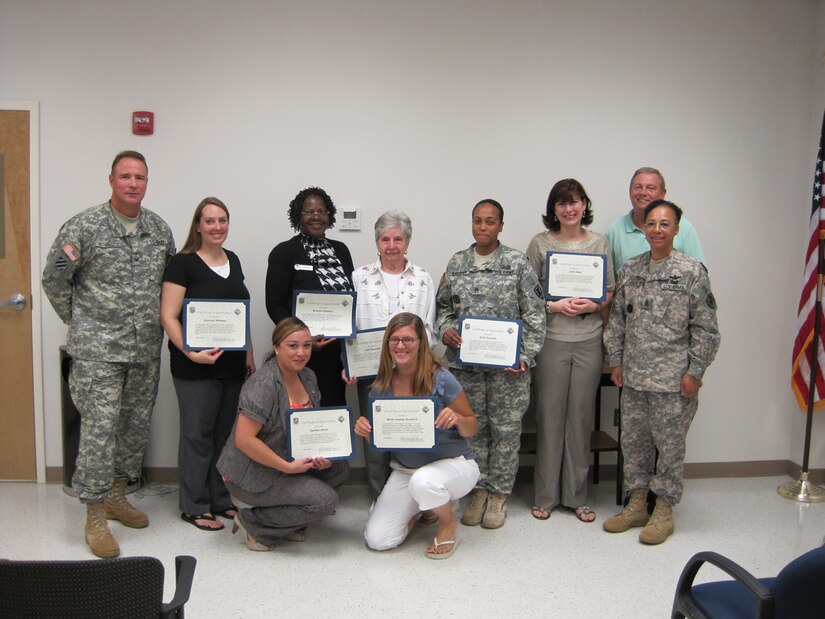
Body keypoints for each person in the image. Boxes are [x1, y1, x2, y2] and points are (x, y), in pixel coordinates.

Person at [42, 151, 175, 558]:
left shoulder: (158, 229)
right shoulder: (84, 226)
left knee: (134, 429)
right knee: (100, 431)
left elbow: (170, 286)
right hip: (97, 352)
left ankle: (118, 496)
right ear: (111, 180)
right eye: (125, 176)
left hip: (144, 350)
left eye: (140, 177)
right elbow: (54, 279)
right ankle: (94, 516)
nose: (133, 183)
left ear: (147, 182)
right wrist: (80, 322)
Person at [602, 199, 720, 545]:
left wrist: (695, 372)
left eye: (664, 224)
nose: (656, 230)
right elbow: (617, 322)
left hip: (674, 381)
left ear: (676, 230)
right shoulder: (632, 270)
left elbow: (707, 329)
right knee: (634, 443)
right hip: (635, 378)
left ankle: (664, 508)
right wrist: (617, 361)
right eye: (651, 224)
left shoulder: (691, 272)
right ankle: (637, 502)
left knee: (669, 448)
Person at [434, 199, 545, 529]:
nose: (483, 227)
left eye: (490, 221)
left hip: (508, 371)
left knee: (506, 432)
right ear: (471, 224)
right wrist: (446, 331)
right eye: (477, 221)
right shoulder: (457, 263)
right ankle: (478, 488)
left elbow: (536, 314)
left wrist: (524, 356)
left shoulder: (517, 264)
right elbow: (442, 311)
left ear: (501, 225)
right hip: (465, 369)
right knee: (472, 430)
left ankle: (499, 494)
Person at [160, 197, 256, 531]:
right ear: (198, 225)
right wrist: (190, 351)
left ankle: (220, 498)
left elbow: (239, 311)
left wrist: (249, 355)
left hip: (231, 365)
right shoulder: (182, 264)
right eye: (210, 221)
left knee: (224, 436)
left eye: (223, 220)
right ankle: (194, 505)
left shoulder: (234, 260)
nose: (217, 227)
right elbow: (168, 315)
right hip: (195, 366)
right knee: (197, 436)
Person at [217, 317, 348, 551]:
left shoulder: (307, 376)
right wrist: (288, 468)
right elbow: (244, 440)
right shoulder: (263, 384)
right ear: (277, 347)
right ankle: (254, 525)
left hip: (285, 457)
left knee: (338, 468)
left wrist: (321, 454)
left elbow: (309, 427)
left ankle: (289, 523)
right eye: (293, 345)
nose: (301, 352)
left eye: (307, 345)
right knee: (326, 501)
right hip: (251, 471)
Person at [526, 179, 614, 523]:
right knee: (549, 416)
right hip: (552, 340)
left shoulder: (599, 243)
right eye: (562, 203)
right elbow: (528, 295)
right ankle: (546, 496)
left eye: (575, 201)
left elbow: (608, 292)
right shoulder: (540, 243)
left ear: (584, 205)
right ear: (554, 210)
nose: (569, 208)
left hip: (589, 339)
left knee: (580, 418)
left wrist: (591, 306)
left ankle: (577, 496)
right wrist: (554, 305)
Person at [355, 313, 479, 559]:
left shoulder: (441, 378)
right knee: (378, 540)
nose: (401, 346)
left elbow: (472, 425)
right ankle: (423, 509)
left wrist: (457, 419)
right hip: (406, 471)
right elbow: (382, 445)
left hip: (454, 466)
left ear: (421, 343)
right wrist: (367, 433)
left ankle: (447, 522)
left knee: (424, 482)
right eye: (395, 339)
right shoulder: (380, 388)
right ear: (387, 343)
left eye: (408, 339)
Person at [345, 210, 437, 502]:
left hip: (412, 372)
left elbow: (429, 328)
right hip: (371, 371)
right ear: (377, 243)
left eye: (398, 238)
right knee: (374, 439)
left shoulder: (422, 278)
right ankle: (379, 501)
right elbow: (348, 327)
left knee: (411, 435)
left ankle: (415, 502)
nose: (392, 245)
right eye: (385, 239)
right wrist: (346, 363)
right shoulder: (359, 277)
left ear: (407, 242)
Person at [265, 187, 354, 407]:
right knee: (302, 414)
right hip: (300, 353)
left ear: (329, 216)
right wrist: (301, 341)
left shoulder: (341, 250)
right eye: (308, 211)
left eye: (322, 211)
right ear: (298, 216)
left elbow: (351, 297)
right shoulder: (284, 252)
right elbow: (274, 304)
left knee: (332, 409)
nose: (316, 216)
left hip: (336, 353)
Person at [605, 167, 705, 272]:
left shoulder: (684, 227)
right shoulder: (615, 230)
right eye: (638, 187)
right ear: (630, 192)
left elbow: (699, 273)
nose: (643, 192)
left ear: (663, 193)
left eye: (650, 188)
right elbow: (607, 280)